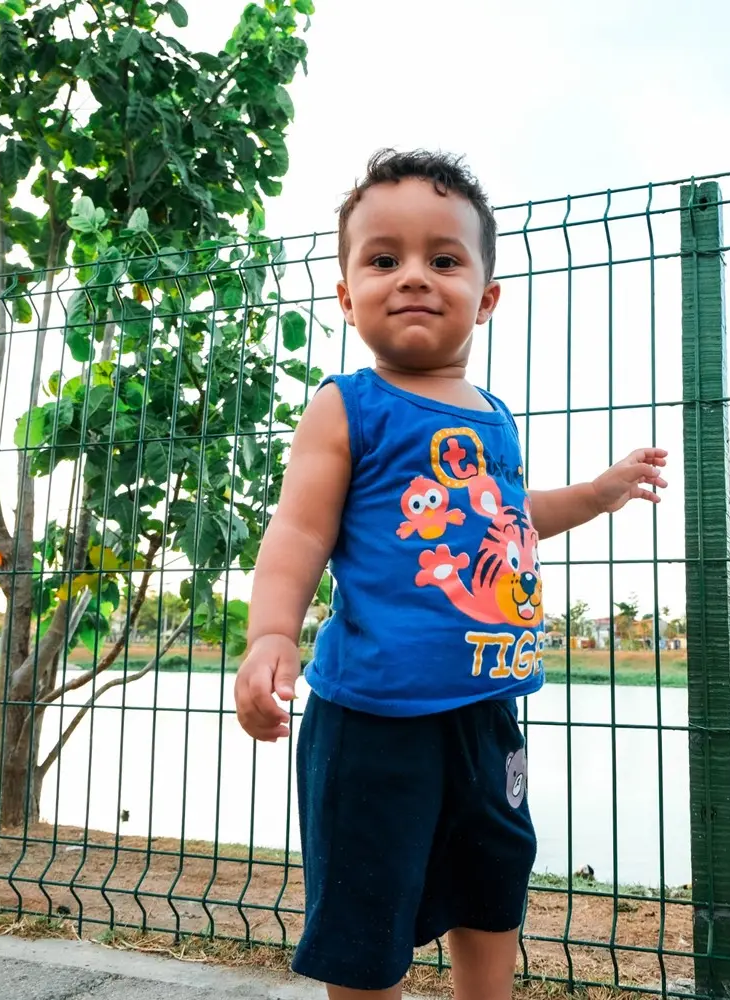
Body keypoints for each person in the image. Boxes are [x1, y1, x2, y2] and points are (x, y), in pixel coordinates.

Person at [234, 150, 668, 1000]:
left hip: (486, 708)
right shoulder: (347, 405)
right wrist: (271, 633)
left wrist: (595, 493)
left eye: (444, 259)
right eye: (383, 258)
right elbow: (297, 531)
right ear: (346, 293)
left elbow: (504, 523)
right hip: (373, 718)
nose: (413, 278)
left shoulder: (494, 415)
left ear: (487, 296)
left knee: (493, 880)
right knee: (368, 907)